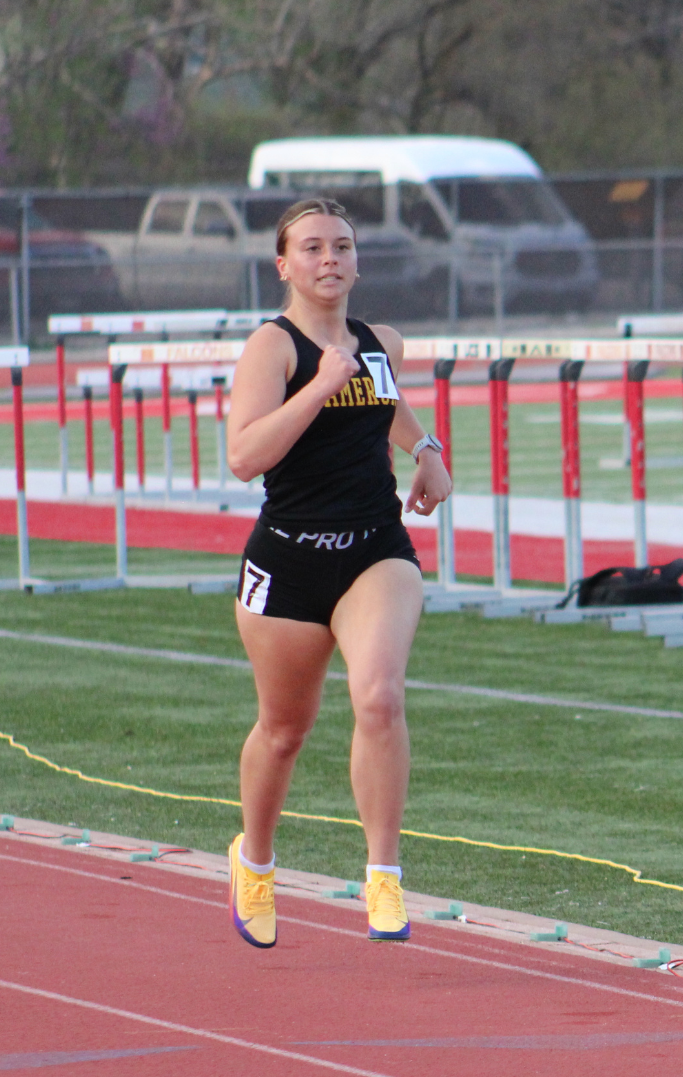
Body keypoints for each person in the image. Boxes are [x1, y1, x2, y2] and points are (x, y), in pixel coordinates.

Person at [224, 198, 453, 950]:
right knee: (285, 730)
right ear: (284, 265)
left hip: (373, 551)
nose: (331, 259)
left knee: (380, 695)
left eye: (343, 246)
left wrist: (427, 453)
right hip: (287, 561)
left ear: (359, 261)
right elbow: (245, 455)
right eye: (313, 247)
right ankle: (254, 861)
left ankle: (383, 874)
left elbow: (384, 406)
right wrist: (320, 383)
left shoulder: (380, 341)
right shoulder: (273, 347)